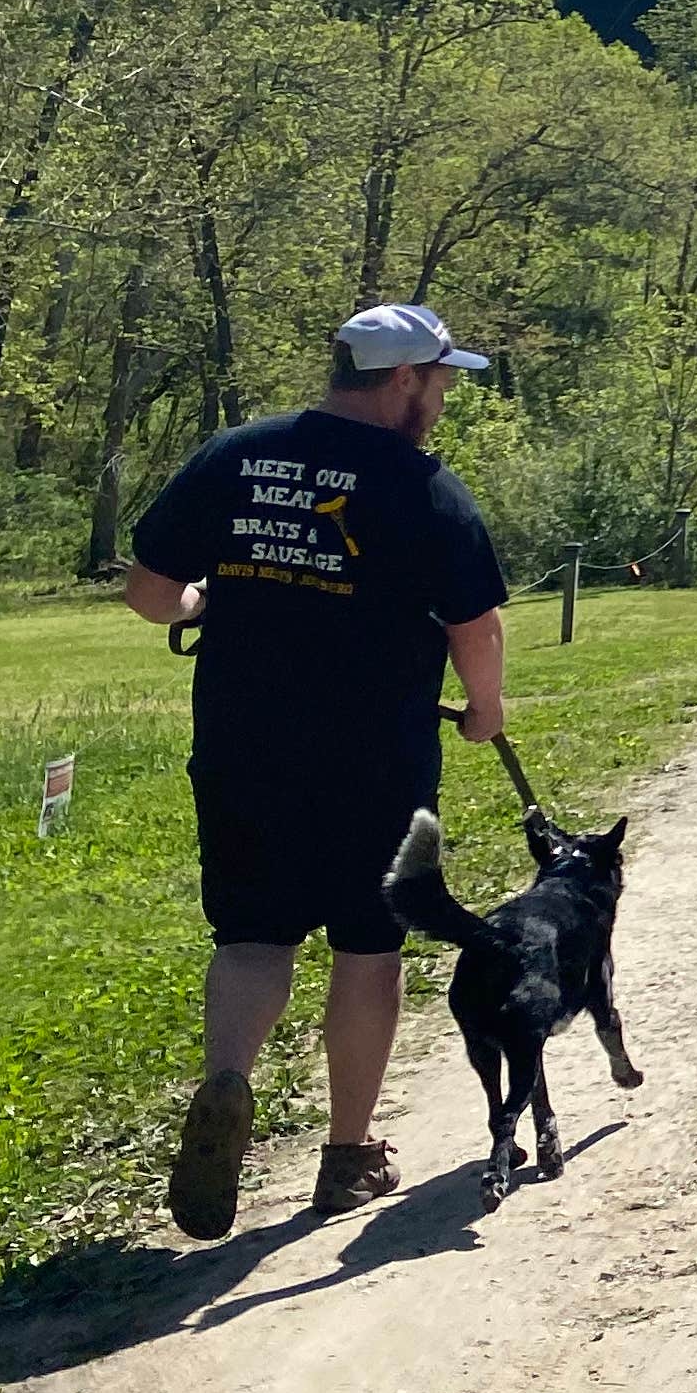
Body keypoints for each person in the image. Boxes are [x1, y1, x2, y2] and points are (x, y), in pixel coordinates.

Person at [123, 303, 512, 1234]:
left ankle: (227, 1083)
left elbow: (146, 592)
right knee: (369, 948)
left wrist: (206, 602)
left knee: (253, 935)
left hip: (242, 744)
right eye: (441, 379)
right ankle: (348, 1156)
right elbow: (476, 628)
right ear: (402, 382)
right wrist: (486, 712)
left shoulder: (235, 456)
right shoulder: (423, 487)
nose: (447, 396)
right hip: (375, 756)